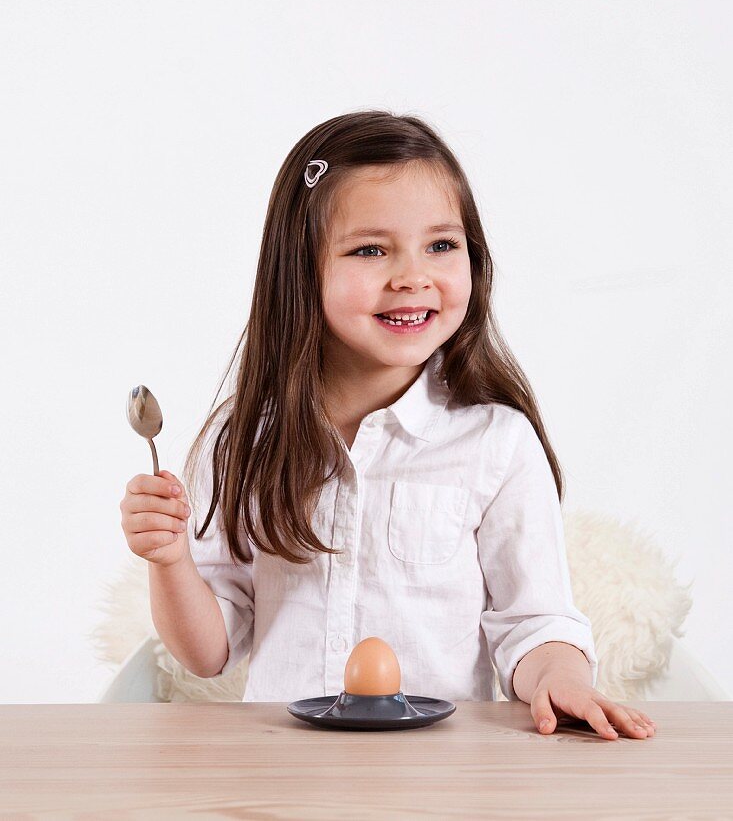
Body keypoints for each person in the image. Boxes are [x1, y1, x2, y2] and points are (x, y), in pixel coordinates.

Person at [120, 109, 656, 740]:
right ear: (300, 269)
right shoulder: (241, 440)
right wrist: (169, 558)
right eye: (370, 249)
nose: (412, 276)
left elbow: (534, 625)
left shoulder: (496, 442)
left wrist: (559, 680)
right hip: (284, 770)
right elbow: (208, 653)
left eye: (441, 245)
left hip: (443, 776)